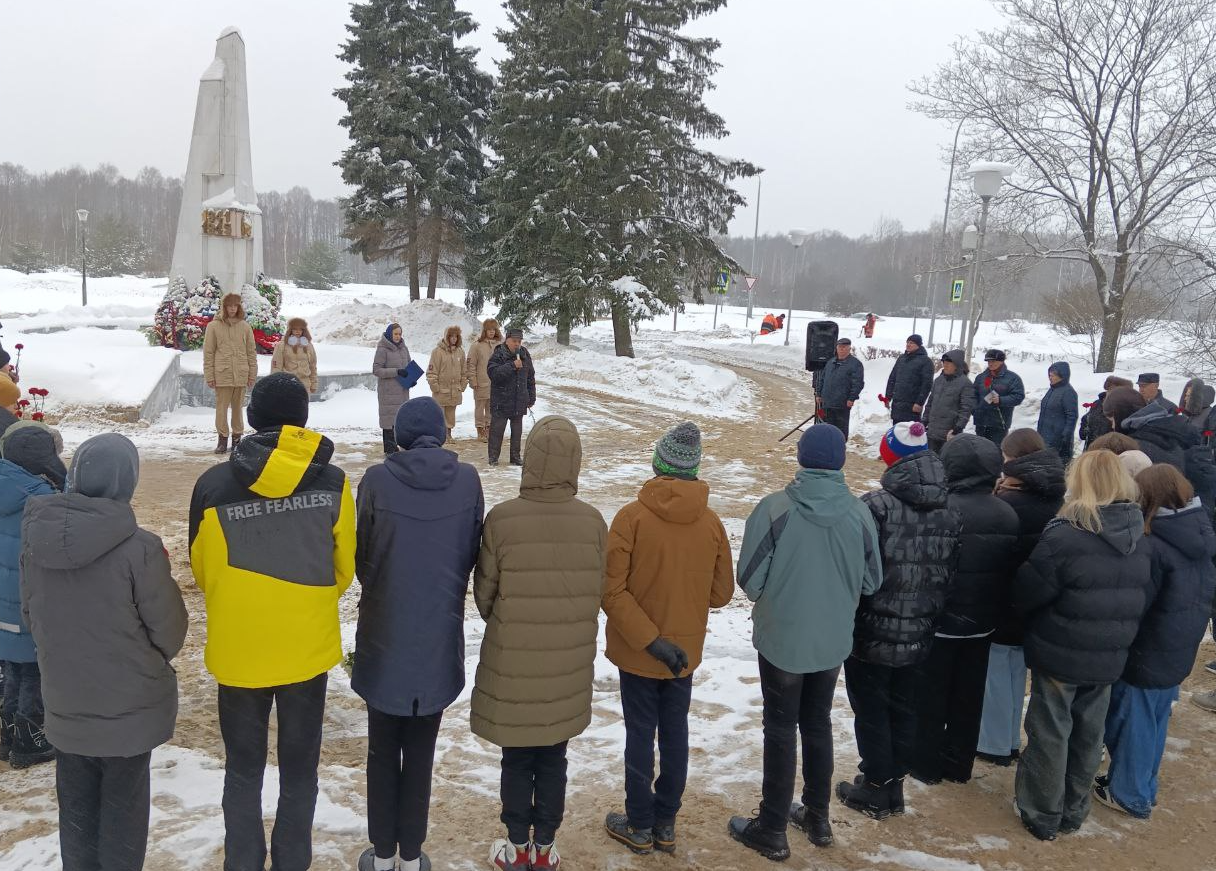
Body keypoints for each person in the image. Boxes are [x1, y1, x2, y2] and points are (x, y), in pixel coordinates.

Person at [189, 372, 356, 871]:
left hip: (239, 649)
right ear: (303, 420)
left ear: (252, 418)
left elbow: (201, 572)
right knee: (300, 771)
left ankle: (242, 862)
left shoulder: (212, 485)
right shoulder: (333, 483)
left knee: (242, 771)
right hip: (307, 650)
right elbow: (343, 569)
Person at [21, 434, 187, 871]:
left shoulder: (36, 541)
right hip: (129, 707)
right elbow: (169, 631)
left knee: (75, 809)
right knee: (124, 813)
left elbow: (31, 615)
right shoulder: (141, 549)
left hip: (65, 698)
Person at [728, 425, 881, 860]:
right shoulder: (859, 513)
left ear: (800, 458)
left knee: (779, 727)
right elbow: (872, 580)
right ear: (841, 462)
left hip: (783, 639)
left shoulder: (775, 509)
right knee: (816, 723)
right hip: (832, 639)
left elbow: (751, 581)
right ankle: (817, 817)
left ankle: (772, 826)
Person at [352, 397, 483, 871]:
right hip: (438, 632)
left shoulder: (376, 480)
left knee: (381, 747)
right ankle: (410, 854)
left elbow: (361, 555)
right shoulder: (467, 481)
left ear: (399, 436)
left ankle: (384, 852)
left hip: (385, 632)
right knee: (421, 752)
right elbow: (471, 549)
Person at [472, 416, 607, 871]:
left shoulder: (503, 518)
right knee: (554, 756)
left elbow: (484, 595)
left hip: (514, 659)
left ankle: (515, 843)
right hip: (567, 664)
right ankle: (545, 846)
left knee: (516, 756)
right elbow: (598, 590)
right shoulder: (592, 522)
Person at [601, 423, 734, 857]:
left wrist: (650, 640)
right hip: (683, 654)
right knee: (675, 732)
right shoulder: (711, 523)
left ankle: (639, 824)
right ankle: (666, 823)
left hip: (639, 651)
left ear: (658, 462)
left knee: (640, 732)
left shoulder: (630, 517)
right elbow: (721, 593)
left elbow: (612, 591)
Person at [1012, 450, 1152, 841]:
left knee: (1050, 731)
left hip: (1061, 650)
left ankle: (1042, 811)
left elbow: (1029, 591)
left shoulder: (1066, 533)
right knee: (1090, 732)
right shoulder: (1139, 534)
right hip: (1110, 653)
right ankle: (1074, 809)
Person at [836, 422, 962, 820]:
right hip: (922, 630)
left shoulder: (874, 506)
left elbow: (855, 569)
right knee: (905, 707)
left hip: (872, 629)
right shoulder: (951, 510)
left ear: (892, 459)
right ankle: (893, 786)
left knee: (872, 708)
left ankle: (875, 786)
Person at [1094, 465, 1216, 819]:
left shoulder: (1154, 546)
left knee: (1133, 720)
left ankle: (1130, 793)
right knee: (1155, 718)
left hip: (1148, 648)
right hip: (1179, 646)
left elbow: (1138, 602)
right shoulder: (1198, 533)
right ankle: (1143, 785)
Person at [911, 435, 1019, 786]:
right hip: (982, 623)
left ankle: (925, 763)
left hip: (940, 621)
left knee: (931, 694)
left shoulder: (939, 509)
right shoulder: (1006, 513)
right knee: (968, 696)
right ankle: (959, 765)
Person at [978, 429, 1065, 767]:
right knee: (1013, 670)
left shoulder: (1009, 503)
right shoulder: (1055, 495)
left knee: (999, 670)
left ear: (1013, 459)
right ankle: (1009, 738)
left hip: (1006, 596)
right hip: (1036, 599)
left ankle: (996, 742)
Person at [0, 423, 66, 768]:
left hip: (2, 605)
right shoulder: (43, 498)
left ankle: (6, 734)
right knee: (34, 672)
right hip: (29, 604)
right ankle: (29, 740)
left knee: (12, 668)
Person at [1114, 386, 1216, 511]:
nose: (1185, 398)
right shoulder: (1184, 417)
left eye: (1189, 395)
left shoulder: (1208, 416)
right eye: (1186, 395)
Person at [204, 291, 258, 455]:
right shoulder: (213, 326)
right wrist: (210, 375)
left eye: (236, 305)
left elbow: (251, 352)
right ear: (224, 307)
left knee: (237, 409)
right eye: (229, 306)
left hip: (241, 374)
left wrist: (252, 375)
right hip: (223, 374)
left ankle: (237, 440)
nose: (233, 309)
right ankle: (222, 439)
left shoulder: (245, 326)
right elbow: (209, 352)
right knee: (221, 409)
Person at [487, 328, 535, 467]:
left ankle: (515, 457)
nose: (517, 344)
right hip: (501, 401)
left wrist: (531, 397)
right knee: (497, 431)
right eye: (514, 341)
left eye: (519, 341)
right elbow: (493, 374)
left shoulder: (524, 354)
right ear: (507, 340)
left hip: (518, 400)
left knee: (517, 432)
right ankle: (493, 457)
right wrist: (512, 365)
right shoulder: (499, 354)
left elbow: (530, 377)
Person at [923, 349, 975, 454]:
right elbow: (930, 403)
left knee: (945, 462)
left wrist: (958, 428)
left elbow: (966, 408)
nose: (945, 366)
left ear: (957, 365)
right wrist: (924, 420)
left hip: (949, 433)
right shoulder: (938, 380)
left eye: (948, 363)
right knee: (931, 460)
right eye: (944, 363)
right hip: (932, 431)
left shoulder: (965, 383)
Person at [374, 323, 413, 456]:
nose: (398, 336)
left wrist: (411, 379)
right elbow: (376, 370)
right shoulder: (382, 349)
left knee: (401, 421)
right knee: (389, 422)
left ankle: (399, 449)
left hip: (402, 391)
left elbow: (408, 366)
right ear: (390, 333)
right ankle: (390, 450)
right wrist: (396, 372)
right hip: (388, 392)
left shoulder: (404, 348)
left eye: (400, 334)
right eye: (395, 334)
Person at [972, 349, 1025, 447]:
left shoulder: (1013, 378)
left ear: (1001, 361)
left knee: (995, 451)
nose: (990, 364)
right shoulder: (981, 377)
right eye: (988, 361)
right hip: (981, 422)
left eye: (993, 361)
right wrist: (975, 410)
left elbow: (1018, 396)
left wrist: (1001, 400)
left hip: (999, 424)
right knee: (979, 450)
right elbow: (973, 395)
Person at [815, 339, 864, 439]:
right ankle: (828, 445)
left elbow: (858, 383)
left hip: (842, 403)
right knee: (828, 427)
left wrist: (851, 398)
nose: (841, 349)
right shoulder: (830, 362)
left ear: (849, 348)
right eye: (839, 347)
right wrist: (819, 394)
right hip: (827, 402)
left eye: (844, 347)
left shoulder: (855, 364)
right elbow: (822, 379)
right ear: (836, 348)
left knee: (841, 428)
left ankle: (840, 445)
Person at [426, 326, 467, 442]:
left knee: (451, 414)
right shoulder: (437, 352)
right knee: (439, 414)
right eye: (451, 336)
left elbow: (464, 370)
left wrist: (463, 384)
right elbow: (431, 371)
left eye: (456, 336)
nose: (454, 339)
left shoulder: (460, 352)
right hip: (441, 390)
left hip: (455, 389)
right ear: (446, 337)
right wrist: (435, 387)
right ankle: (439, 434)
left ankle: (449, 434)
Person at [883, 335, 934, 424]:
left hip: (912, 405)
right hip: (897, 403)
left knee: (910, 433)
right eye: (907, 342)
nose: (908, 345)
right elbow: (892, 378)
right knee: (897, 431)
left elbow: (926, 385)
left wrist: (919, 403)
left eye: (911, 343)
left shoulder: (926, 361)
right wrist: (888, 396)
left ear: (919, 345)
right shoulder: (902, 359)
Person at [467, 319, 503, 442]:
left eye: (494, 329)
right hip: (481, 382)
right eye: (489, 330)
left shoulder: (499, 345)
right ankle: (480, 430)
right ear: (485, 331)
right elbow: (471, 364)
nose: (492, 332)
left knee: (491, 407)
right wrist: (473, 380)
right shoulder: (477, 345)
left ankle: (488, 428)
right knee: (479, 407)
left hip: (496, 382)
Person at [1037, 361, 1079, 460]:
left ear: (1062, 376)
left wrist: (1065, 436)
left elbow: (1072, 416)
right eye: (1049, 375)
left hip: (1058, 439)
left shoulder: (1068, 392)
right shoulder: (1052, 389)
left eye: (1053, 375)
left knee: (1056, 466)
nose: (1050, 377)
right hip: (1045, 435)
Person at [1080, 376, 1132, 451]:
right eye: (1108, 389)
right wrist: (1085, 430)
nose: (1108, 393)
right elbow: (1087, 419)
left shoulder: (1126, 408)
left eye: (1114, 390)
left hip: (1112, 452)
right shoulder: (1098, 403)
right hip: (1092, 449)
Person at [271, 317, 318, 394]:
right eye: (295, 329)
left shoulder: (309, 346)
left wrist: (314, 384)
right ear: (290, 330)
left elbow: (313, 366)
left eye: (300, 329)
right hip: (287, 385)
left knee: (302, 406)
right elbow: (276, 367)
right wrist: (276, 384)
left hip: (305, 385)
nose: (298, 331)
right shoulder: (282, 345)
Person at [1179, 378, 1216, 445]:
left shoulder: (1211, 415)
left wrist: (1206, 433)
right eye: (1185, 395)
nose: (1185, 398)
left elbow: (1210, 438)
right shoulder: (1187, 415)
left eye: (1188, 396)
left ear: (1197, 397)